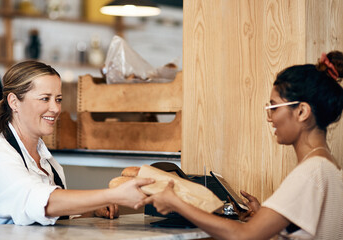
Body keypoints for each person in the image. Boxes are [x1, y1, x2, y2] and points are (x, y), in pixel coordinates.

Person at [136, 51, 343, 240]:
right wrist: (265, 216)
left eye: (274, 107)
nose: (270, 118)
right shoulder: (328, 168)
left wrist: (176, 204)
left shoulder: (310, 173)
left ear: (302, 112)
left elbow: (244, 236)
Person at [0, 61, 153, 227]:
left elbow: (50, 215)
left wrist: (91, 210)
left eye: (58, 99)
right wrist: (112, 196)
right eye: (45, 98)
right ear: (14, 102)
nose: (55, 108)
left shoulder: (47, 162)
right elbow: (43, 202)